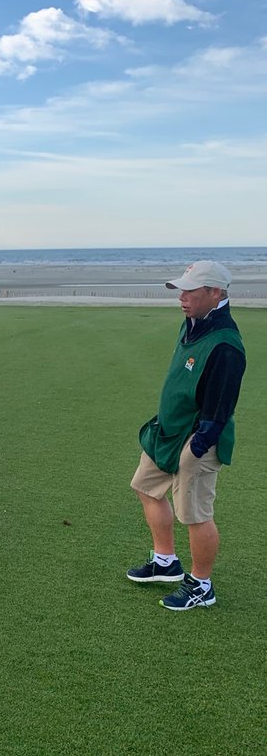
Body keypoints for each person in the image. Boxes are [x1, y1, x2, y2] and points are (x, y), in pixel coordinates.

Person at [127, 261, 246, 611]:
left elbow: (220, 409)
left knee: (195, 514)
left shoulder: (226, 344)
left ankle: (201, 585)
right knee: (145, 487)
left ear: (215, 293)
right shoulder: (193, 322)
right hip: (168, 430)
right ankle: (166, 562)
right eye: (181, 290)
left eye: (190, 291)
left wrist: (198, 445)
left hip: (197, 439)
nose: (182, 298)